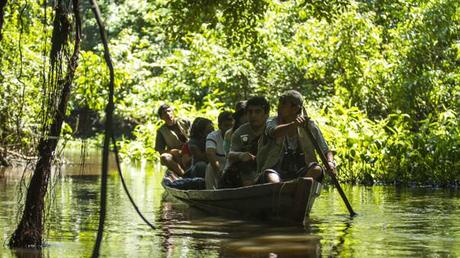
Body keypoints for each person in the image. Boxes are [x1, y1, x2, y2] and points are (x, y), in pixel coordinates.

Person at [257, 90, 336, 184]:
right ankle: (287, 190)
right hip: (275, 171)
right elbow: (274, 132)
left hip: (301, 172)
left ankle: (296, 188)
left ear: (295, 109)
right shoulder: (272, 122)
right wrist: (293, 124)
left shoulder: (309, 126)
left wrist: (330, 163)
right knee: (272, 179)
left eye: (283, 104)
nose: (278, 107)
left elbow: (326, 150)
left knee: (317, 170)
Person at [221, 96, 270, 187]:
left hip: (267, 169)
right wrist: (241, 155)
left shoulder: (273, 129)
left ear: (266, 114)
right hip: (244, 173)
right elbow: (230, 155)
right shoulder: (239, 133)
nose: (253, 115)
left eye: (257, 111)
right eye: (250, 112)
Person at [155, 104, 191, 177]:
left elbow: (196, 137)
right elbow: (160, 150)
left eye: (169, 111)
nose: (168, 114)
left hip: (190, 151)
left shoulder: (185, 122)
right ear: (161, 117)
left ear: (173, 112)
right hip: (177, 156)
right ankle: (183, 175)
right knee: (164, 157)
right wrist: (172, 151)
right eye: (164, 113)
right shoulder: (161, 131)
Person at [205, 111, 234, 189]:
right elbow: (210, 154)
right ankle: (211, 193)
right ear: (219, 126)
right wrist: (219, 172)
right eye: (226, 126)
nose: (229, 128)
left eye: (231, 126)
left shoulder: (238, 134)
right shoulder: (213, 136)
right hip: (218, 166)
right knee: (210, 167)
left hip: (233, 165)